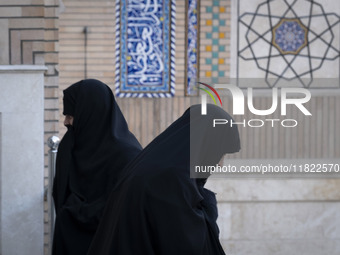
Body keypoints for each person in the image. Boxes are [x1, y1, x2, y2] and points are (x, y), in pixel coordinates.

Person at [87, 104, 241, 255]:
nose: (220, 164)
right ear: (206, 145)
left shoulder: (150, 165)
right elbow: (187, 245)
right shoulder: (172, 179)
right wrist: (208, 205)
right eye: (220, 153)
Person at [52, 79, 142, 255]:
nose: (66, 122)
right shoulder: (75, 146)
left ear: (90, 113)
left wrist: (77, 212)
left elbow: (125, 205)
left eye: (71, 115)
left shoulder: (127, 155)